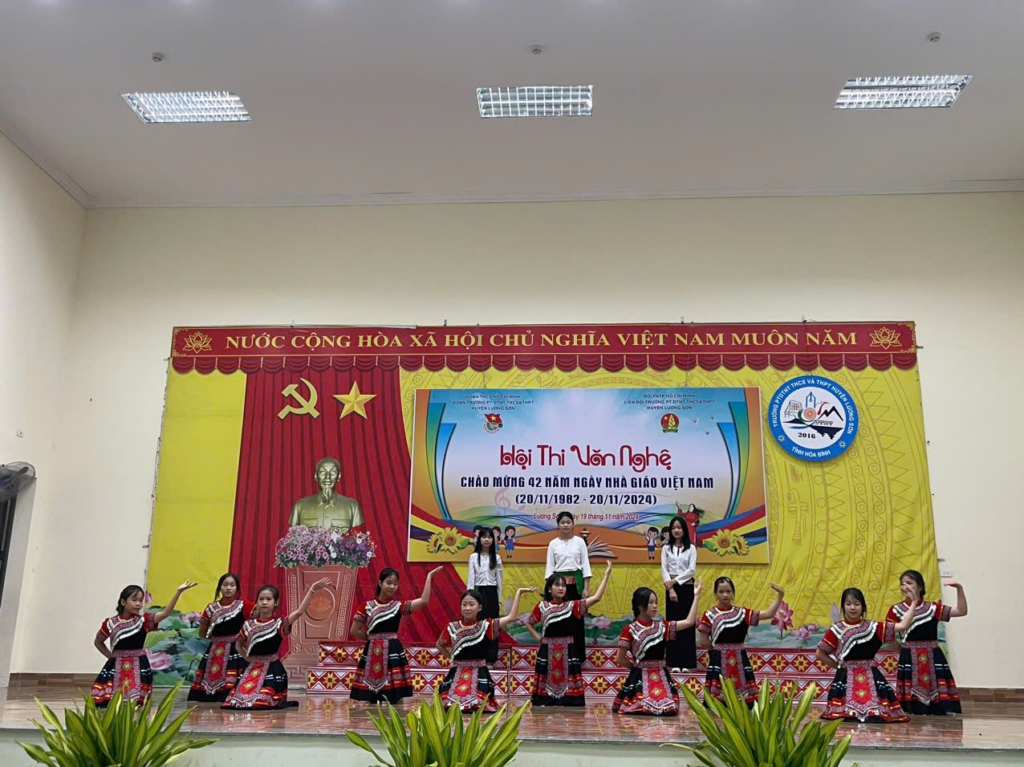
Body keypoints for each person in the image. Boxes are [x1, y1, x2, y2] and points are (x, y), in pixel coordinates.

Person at [222, 577, 330, 710]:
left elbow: (299, 612)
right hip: (252, 669)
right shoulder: (248, 625)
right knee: (237, 701)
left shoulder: (279, 624)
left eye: (268, 599)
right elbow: (238, 645)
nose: (264, 602)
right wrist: (248, 659)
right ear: (256, 602)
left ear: (276, 602)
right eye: (261, 599)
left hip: (271, 669)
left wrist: (312, 590)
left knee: (261, 701)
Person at [817, 587, 917, 723]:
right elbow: (820, 653)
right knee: (842, 716)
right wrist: (837, 666)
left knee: (878, 714)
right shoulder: (836, 629)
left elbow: (903, 625)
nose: (853, 607)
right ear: (843, 607)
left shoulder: (874, 627)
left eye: (857, 604)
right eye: (848, 604)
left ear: (863, 607)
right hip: (846, 677)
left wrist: (914, 602)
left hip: (871, 675)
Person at [92, 580, 198, 707]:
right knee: (110, 701)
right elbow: (98, 642)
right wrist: (110, 657)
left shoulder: (144, 621)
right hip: (117, 665)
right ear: (123, 602)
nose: (138, 603)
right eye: (134, 600)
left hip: (137, 664)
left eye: (140, 600)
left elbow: (165, 613)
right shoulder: (110, 623)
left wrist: (178, 592)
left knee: (135, 701)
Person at [523, 560, 613, 707]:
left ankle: (569, 699)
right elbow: (529, 622)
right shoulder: (542, 606)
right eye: (557, 585)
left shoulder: (572, 606)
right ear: (549, 589)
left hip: (568, 649)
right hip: (547, 649)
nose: (561, 588)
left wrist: (606, 575)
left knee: (571, 694)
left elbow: (596, 598)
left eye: (563, 585)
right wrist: (538, 637)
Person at [349, 566, 443, 704]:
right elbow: (354, 630)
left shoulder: (398, 606)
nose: (392, 587)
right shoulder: (366, 606)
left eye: (395, 583)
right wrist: (371, 639)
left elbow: (423, 601)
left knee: (395, 697)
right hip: (372, 651)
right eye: (389, 583)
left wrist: (429, 577)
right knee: (370, 698)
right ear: (380, 583)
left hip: (392, 649)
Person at [437, 586, 535, 712]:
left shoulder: (486, 626)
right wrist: (452, 658)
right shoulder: (452, 627)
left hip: (478, 673)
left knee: (478, 703)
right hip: (457, 672)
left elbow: (511, 617)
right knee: (448, 703)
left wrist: (519, 593)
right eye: (464, 605)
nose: (467, 608)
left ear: (480, 607)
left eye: (471, 604)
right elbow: (439, 644)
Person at [612, 579, 703, 716]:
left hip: (660, 676)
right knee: (640, 705)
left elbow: (689, 622)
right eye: (650, 602)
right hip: (640, 677)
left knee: (668, 707)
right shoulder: (629, 630)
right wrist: (636, 669)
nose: (655, 606)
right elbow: (619, 659)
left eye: (656, 602)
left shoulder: (662, 626)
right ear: (640, 606)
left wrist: (696, 596)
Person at [886, 571, 967, 715]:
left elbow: (961, 611)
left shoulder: (932, 608)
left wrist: (959, 588)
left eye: (909, 583)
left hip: (932, 655)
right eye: (902, 584)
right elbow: (888, 635)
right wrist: (901, 650)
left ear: (920, 587)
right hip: (909, 656)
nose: (905, 587)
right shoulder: (896, 610)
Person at [698, 577, 784, 708]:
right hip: (718, 659)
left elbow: (768, 614)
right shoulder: (709, 615)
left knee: (745, 702)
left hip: (739, 658)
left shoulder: (742, 613)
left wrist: (780, 596)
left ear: (733, 593)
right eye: (721, 592)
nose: (725, 595)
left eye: (728, 591)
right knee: (718, 705)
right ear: (715, 593)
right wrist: (718, 650)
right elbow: (703, 641)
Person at [188, 572, 255, 702]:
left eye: (232, 585)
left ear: (237, 588)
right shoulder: (211, 608)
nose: (228, 588)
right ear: (220, 587)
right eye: (225, 585)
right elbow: (202, 632)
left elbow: (258, 622)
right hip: (215, 650)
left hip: (236, 649)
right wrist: (217, 640)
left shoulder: (245, 606)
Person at [544, 511, 592, 660]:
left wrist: (586, 588)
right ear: (558, 525)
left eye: (568, 522)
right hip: (559, 587)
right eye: (562, 522)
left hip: (576, 587)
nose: (565, 525)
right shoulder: (553, 544)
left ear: (573, 524)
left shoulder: (580, 542)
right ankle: (559, 656)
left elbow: (585, 566)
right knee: (559, 620)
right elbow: (550, 568)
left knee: (576, 620)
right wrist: (550, 590)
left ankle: (578, 657)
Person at [661, 517, 697, 673]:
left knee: (687, 625)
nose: (676, 530)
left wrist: (674, 581)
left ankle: (687, 662)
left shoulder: (691, 548)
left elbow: (691, 570)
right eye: (673, 528)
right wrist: (670, 589)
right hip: (671, 590)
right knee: (673, 626)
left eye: (679, 527)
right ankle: (674, 661)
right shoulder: (666, 548)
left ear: (684, 530)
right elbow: (664, 569)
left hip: (686, 588)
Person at [288, 456, 363, 531]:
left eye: (332, 472)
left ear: (339, 476)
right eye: (322, 472)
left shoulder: (352, 506)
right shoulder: (300, 506)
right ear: (316, 476)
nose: (328, 477)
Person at [467, 529, 503, 664]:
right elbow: (471, 578)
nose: (487, 539)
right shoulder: (473, 557)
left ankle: (491, 658)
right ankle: (477, 656)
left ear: (493, 540)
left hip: (492, 592)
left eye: (489, 537)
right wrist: (469, 599)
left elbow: (499, 580)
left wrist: (499, 599)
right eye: (484, 537)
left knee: (493, 625)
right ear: (479, 539)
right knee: (478, 624)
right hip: (478, 592)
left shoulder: (497, 558)